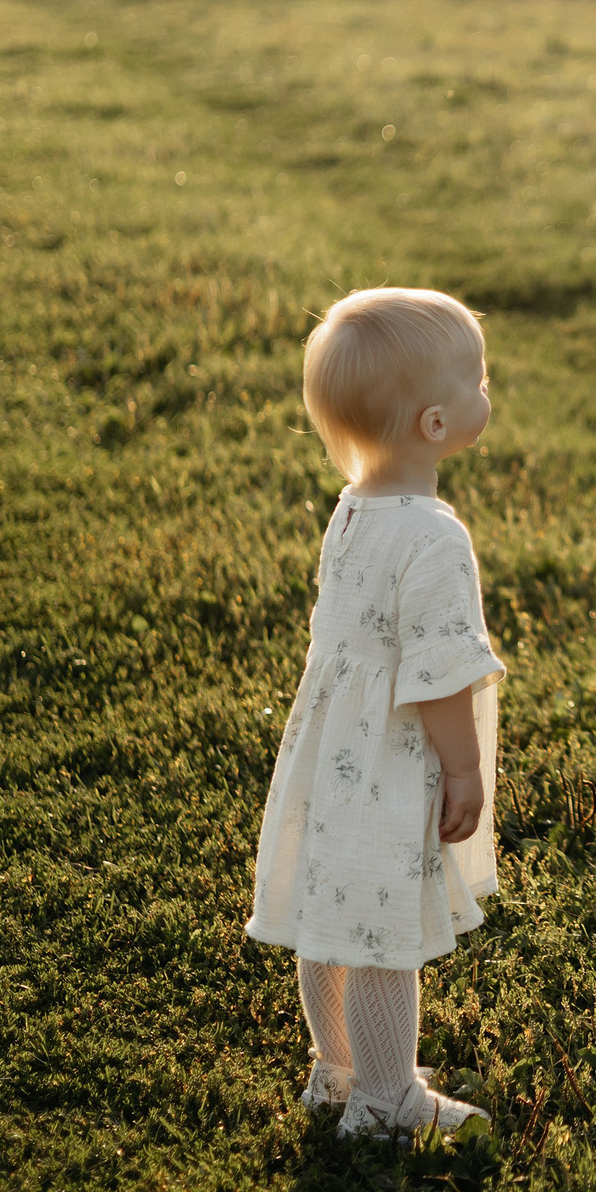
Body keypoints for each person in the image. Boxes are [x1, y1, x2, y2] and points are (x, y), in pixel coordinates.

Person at [246, 287, 505, 1140]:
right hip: (389, 758)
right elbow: (434, 673)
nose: (485, 390)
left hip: (331, 752)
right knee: (383, 923)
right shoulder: (435, 535)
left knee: (331, 901)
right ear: (436, 423)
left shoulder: (353, 507)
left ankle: (340, 1068)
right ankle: (390, 1101)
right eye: (477, 379)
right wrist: (463, 770)